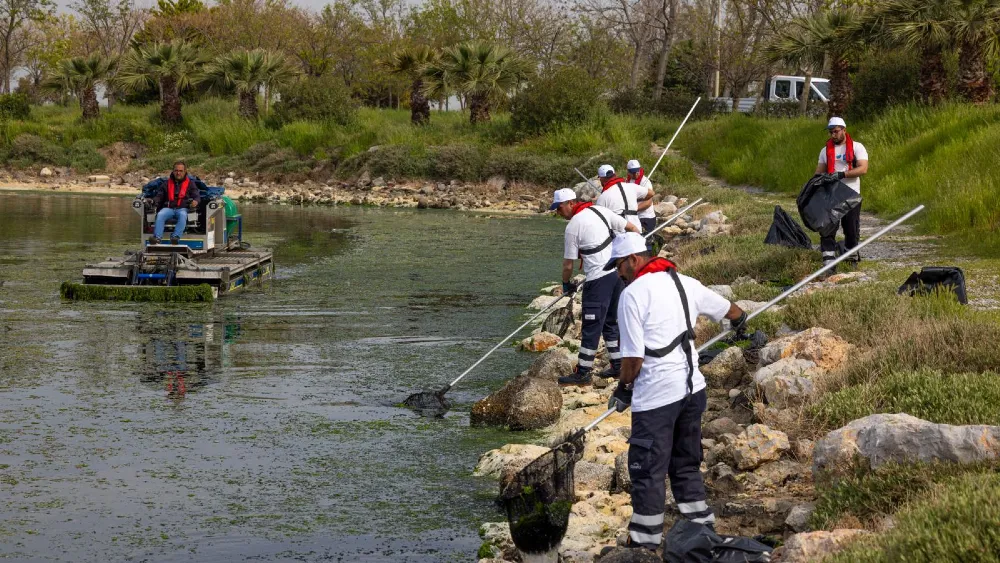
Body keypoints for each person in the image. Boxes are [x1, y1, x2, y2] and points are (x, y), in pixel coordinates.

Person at [603, 232, 748, 550]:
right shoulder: (685, 282)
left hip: (656, 397)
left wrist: (623, 387)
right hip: (693, 391)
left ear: (634, 260)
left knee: (647, 469)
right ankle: (702, 532)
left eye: (619, 266)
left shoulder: (632, 295)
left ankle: (644, 541)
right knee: (685, 464)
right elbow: (732, 311)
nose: (618, 273)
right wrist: (742, 325)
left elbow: (633, 359)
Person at [549, 188, 641, 386]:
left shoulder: (573, 226)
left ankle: (583, 372)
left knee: (591, 327)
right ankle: (618, 365)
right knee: (610, 322)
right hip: (617, 276)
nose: (558, 212)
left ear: (571, 203)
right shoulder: (601, 211)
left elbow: (568, 264)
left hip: (598, 279)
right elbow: (633, 229)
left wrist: (566, 284)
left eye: (559, 207)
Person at [814, 117, 869, 269]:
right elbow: (818, 172)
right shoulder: (825, 151)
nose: (833, 135)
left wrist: (841, 175)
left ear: (844, 130)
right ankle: (828, 262)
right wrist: (818, 182)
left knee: (851, 227)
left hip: (851, 193)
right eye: (831, 132)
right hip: (831, 195)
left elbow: (863, 169)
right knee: (827, 228)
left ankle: (851, 259)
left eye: (836, 131)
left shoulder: (857, 147)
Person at [144, 161, 207, 244]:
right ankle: (157, 238)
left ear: (185, 172)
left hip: (183, 209)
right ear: (173, 171)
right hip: (169, 209)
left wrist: (195, 202)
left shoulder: (191, 184)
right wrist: (152, 201)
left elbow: (197, 196)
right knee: (160, 214)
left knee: (183, 215)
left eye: (180, 171)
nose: (178, 173)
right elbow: (159, 196)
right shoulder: (166, 184)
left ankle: (175, 237)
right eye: (176, 170)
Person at [595, 164, 649, 231]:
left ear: (602, 178)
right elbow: (651, 193)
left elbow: (600, 220)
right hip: (636, 229)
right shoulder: (631, 186)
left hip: (620, 234)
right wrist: (634, 202)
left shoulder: (603, 197)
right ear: (614, 175)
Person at [626, 159, 657, 235]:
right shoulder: (627, 181)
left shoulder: (645, 182)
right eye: (633, 172)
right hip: (634, 217)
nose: (636, 174)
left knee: (646, 241)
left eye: (637, 171)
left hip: (646, 217)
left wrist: (633, 210)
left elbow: (648, 203)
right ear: (628, 172)